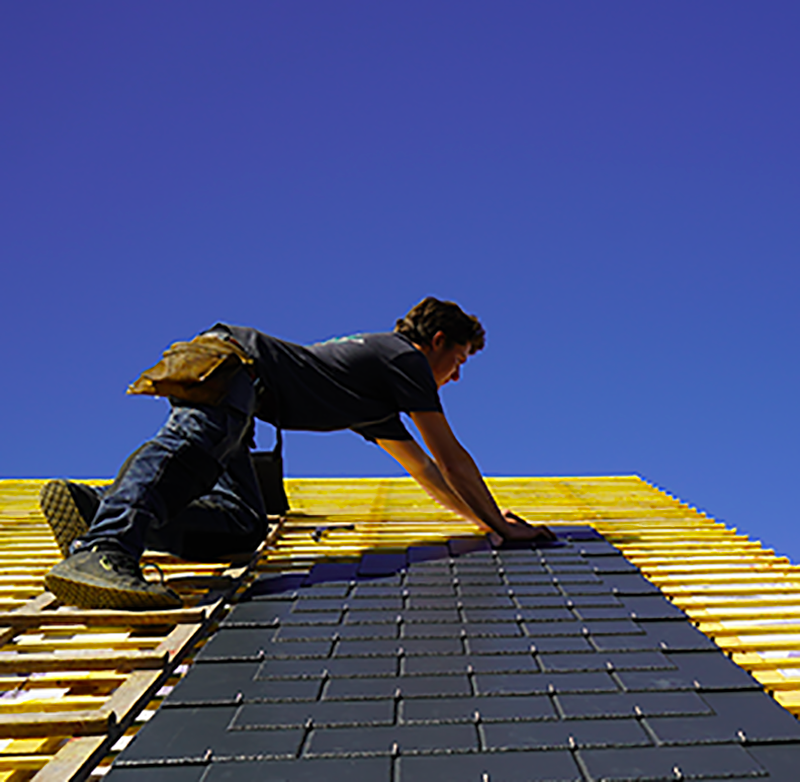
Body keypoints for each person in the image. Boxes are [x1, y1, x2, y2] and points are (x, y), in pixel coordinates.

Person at [42, 297, 554, 610]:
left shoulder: (373, 398)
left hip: (244, 388)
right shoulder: (403, 358)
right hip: (234, 369)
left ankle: (95, 509)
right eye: (458, 360)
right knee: (192, 451)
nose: (456, 375)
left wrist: (485, 522)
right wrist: (506, 529)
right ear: (437, 341)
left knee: (241, 524)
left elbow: (425, 472)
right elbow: (449, 454)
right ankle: (103, 550)